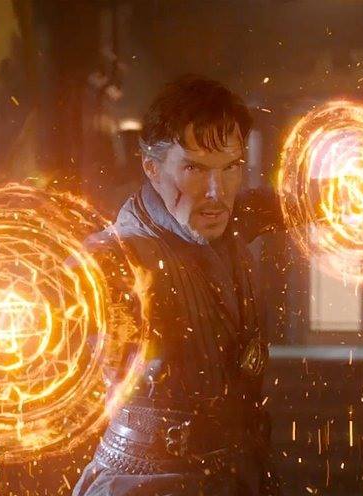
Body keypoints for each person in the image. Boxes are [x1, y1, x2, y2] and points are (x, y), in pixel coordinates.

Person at [72, 75, 282, 496]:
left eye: (230, 168)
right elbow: (82, 280)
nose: (216, 192)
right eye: (193, 168)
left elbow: (281, 204)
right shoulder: (118, 258)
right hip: (144, 482)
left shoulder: (229, 218)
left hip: (239, 474)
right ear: (152, 167)